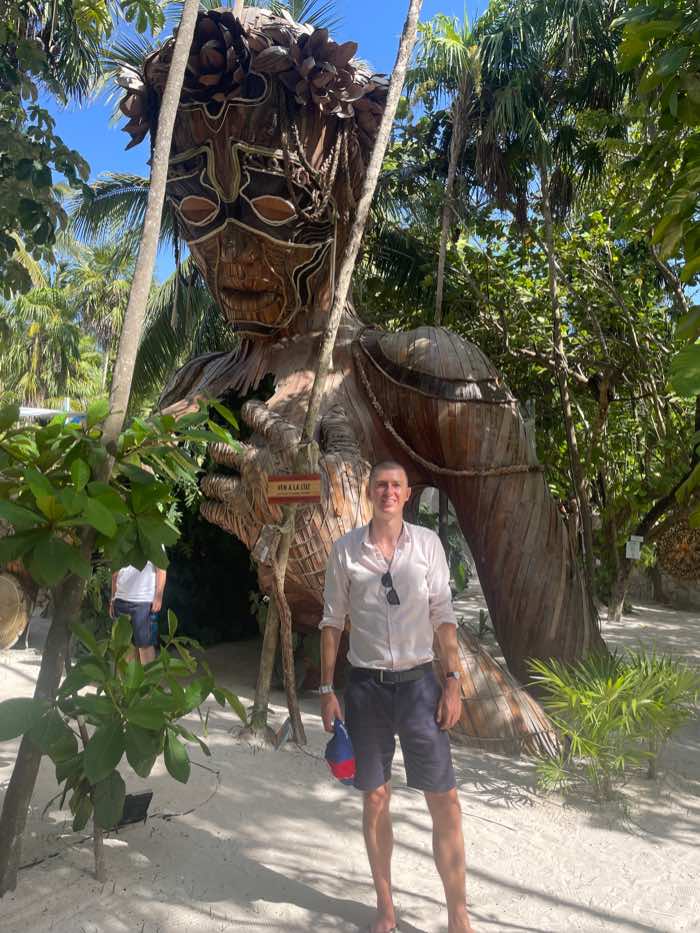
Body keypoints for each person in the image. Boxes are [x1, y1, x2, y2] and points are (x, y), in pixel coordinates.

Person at [319, 461, 474, 933]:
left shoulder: (427, 546)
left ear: (408, 494)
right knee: (375, 800)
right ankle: (385, 908)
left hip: (420, 687)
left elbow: (443, 617)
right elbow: (331, 623)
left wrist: (453, 680)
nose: (388, 492)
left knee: (444, 800)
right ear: (369, 492)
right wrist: (327, 689)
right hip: (365, 689)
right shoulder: (346, 551)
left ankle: (458, 916)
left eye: (396, 486)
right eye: (381, 485)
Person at [110, 562, 166, 664]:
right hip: (120, 601)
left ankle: (149, 679)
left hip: (143, 601)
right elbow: (115, 572)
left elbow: (161, 568)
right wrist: (113, 598)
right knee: (125, 647)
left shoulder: (153, 545)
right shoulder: (118, 545)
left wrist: (158, 596)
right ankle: (129, 680)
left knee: (145, 646)